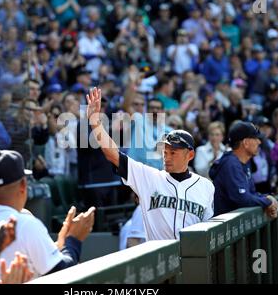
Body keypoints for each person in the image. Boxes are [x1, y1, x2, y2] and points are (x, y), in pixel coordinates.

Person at [86, 87, 214, 240]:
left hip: (193, 260)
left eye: (173, 152)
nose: (167, 157)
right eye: (165, 152)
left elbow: (210, 232)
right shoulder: (149, 177)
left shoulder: (206, 186)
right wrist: (95, 122)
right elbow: (112, 154)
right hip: (160, 259)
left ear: (190, 155)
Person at [0, 150, 95, 279]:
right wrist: (73, 240)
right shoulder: (25, 224)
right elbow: (62, 274)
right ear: (23, 185)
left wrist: (60, 244)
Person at [209, 121, 278, 217]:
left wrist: (267, 197)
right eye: (255, 139)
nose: (259, 142)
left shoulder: (243, 162)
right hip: (225, 228)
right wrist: (267, 201)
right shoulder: (231, 164)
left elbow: (251, 193)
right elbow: (242, 199)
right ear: (245, 143)